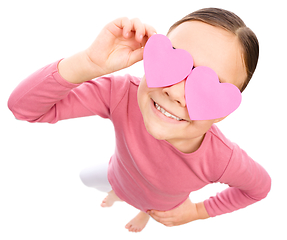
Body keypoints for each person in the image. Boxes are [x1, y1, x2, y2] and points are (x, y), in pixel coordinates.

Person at [8, 8, 271, 233]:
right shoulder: (122, 94)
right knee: (88, 179)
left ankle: (143, 211)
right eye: (172, 61)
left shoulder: (222, 159)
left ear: (224, 111)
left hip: (160, 206)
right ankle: (118, 194)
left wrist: (198, 212)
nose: (174, 92)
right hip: (117, 175)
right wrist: (88, 63)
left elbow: (259, 188)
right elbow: (24, 108)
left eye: (209, 87)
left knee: (147, 207)